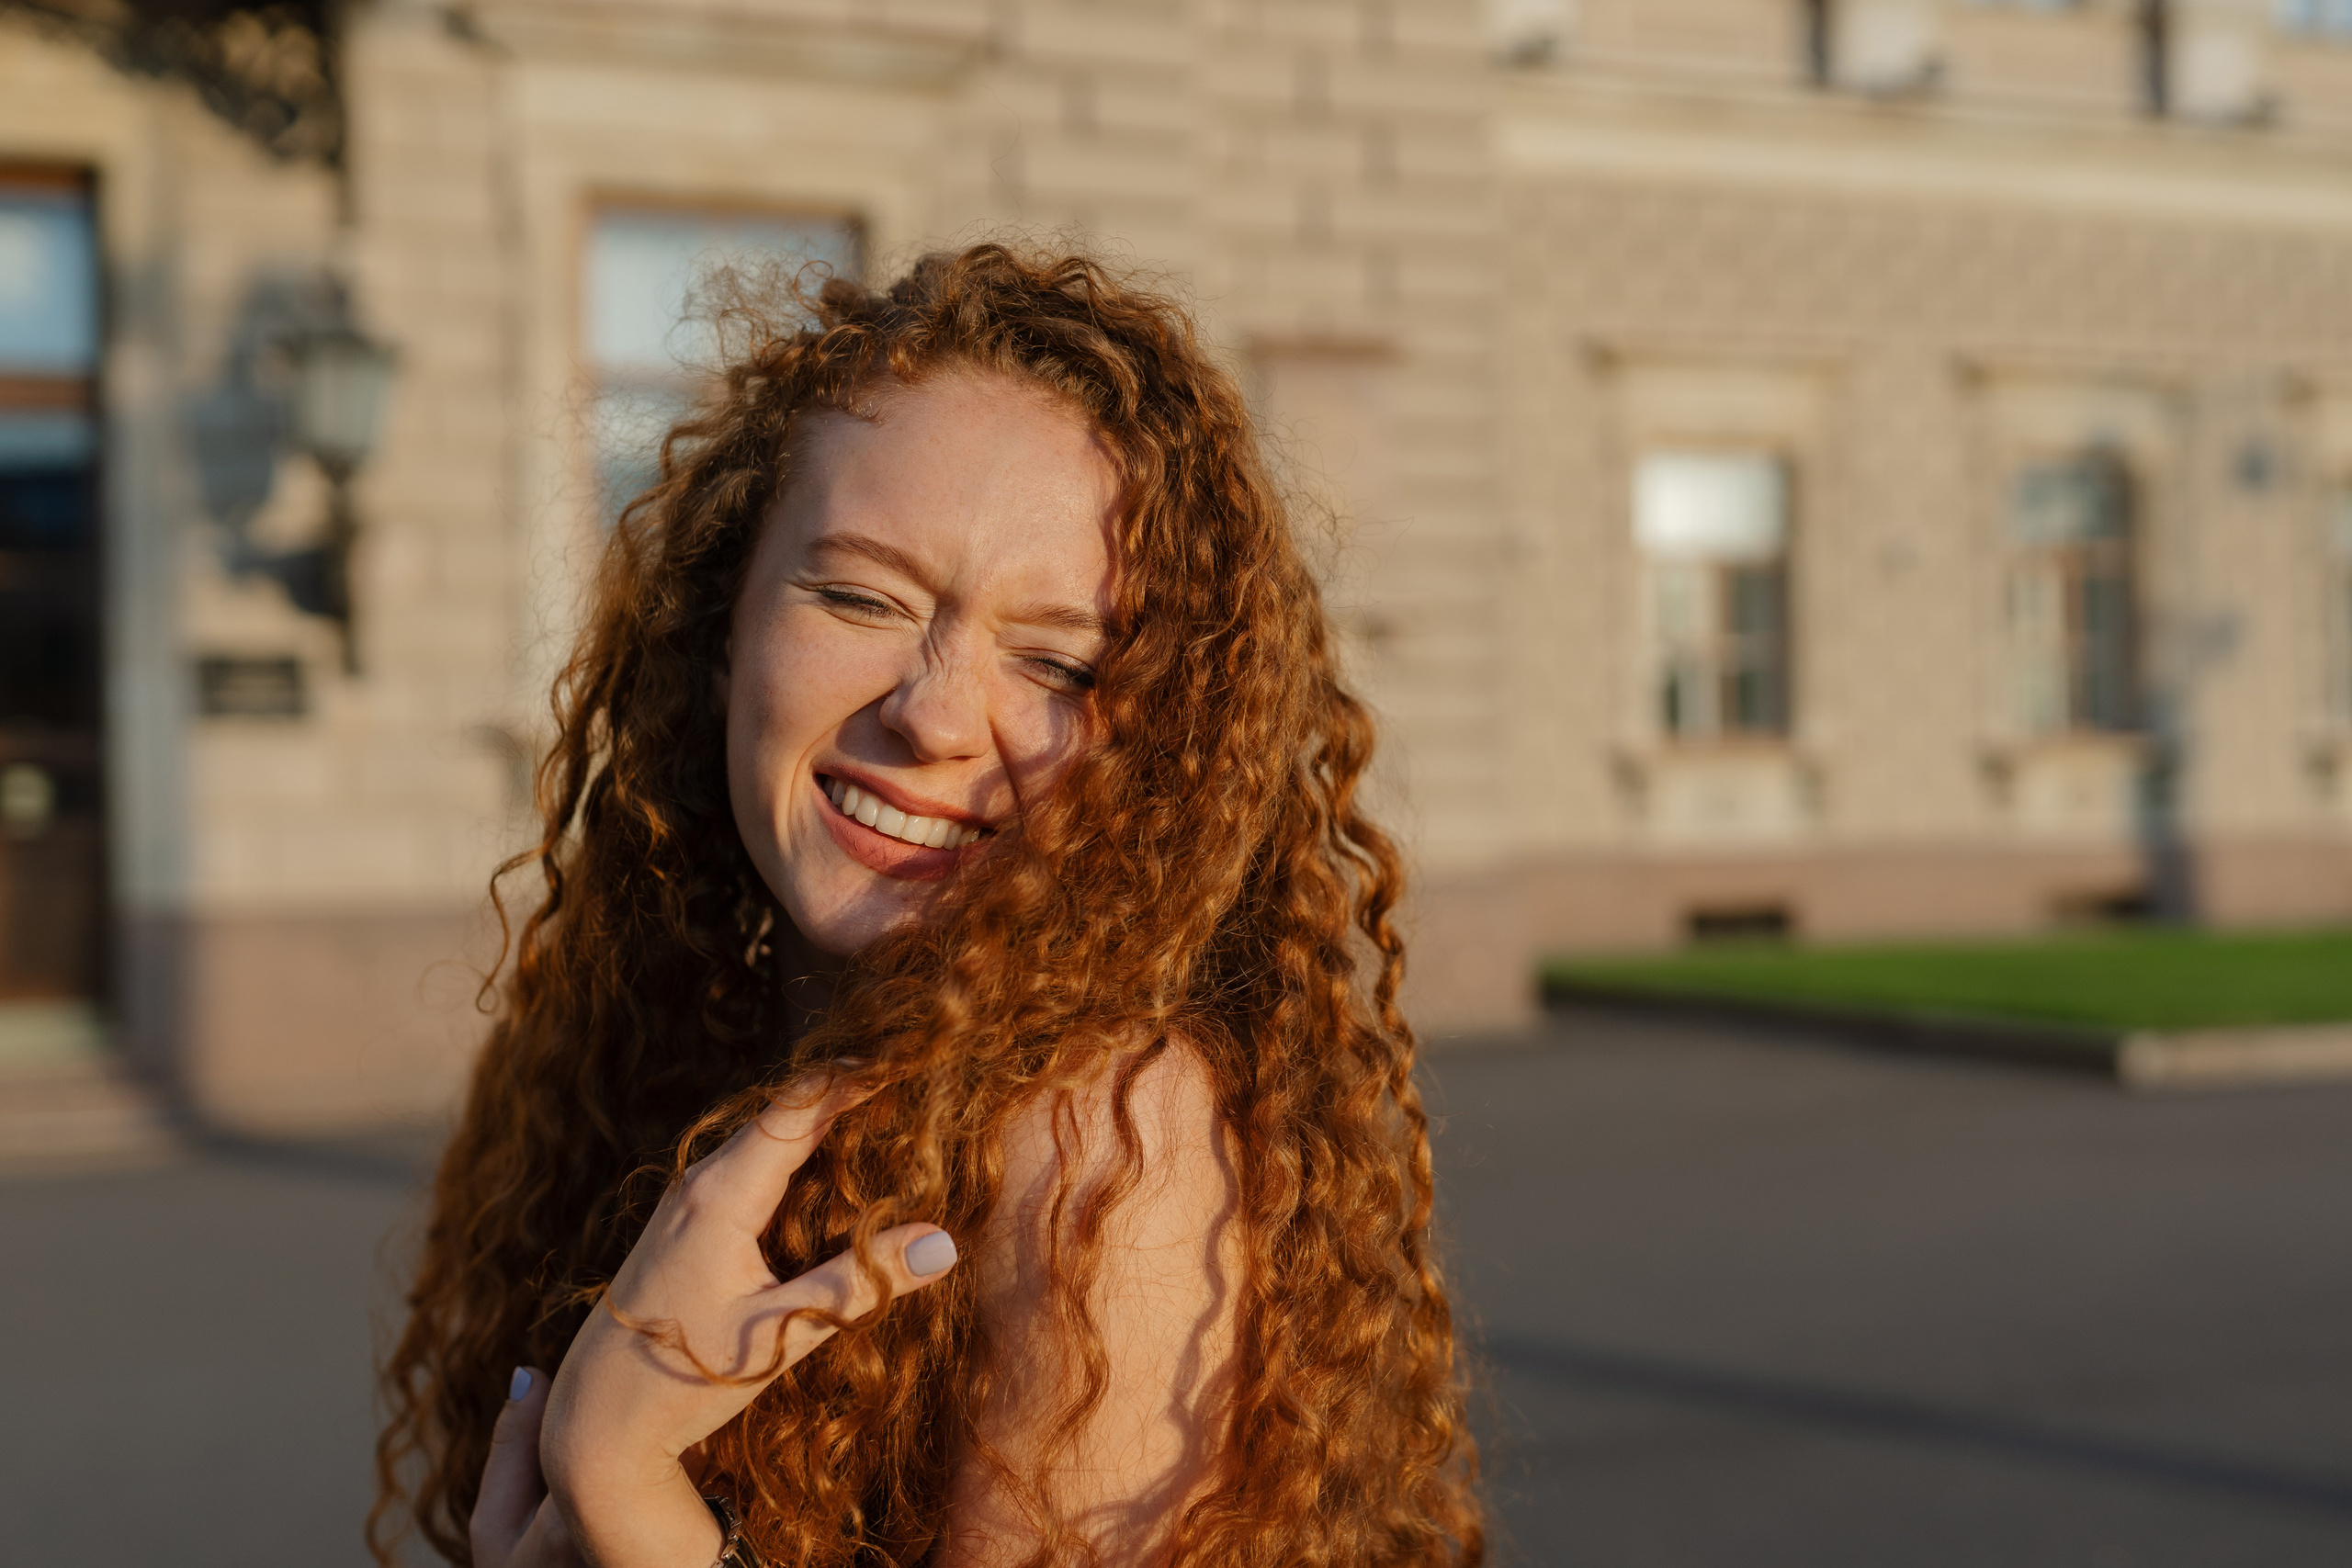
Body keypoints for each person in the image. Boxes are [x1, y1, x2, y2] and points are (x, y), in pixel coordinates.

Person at [373, 243, 1482, 1568]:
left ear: (1165, 743)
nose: (939, 714)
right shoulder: (664, 1035)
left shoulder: (1105, 1147)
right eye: (858, 595)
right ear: (721, 626)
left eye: (1059, 660)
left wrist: (625, 1490)